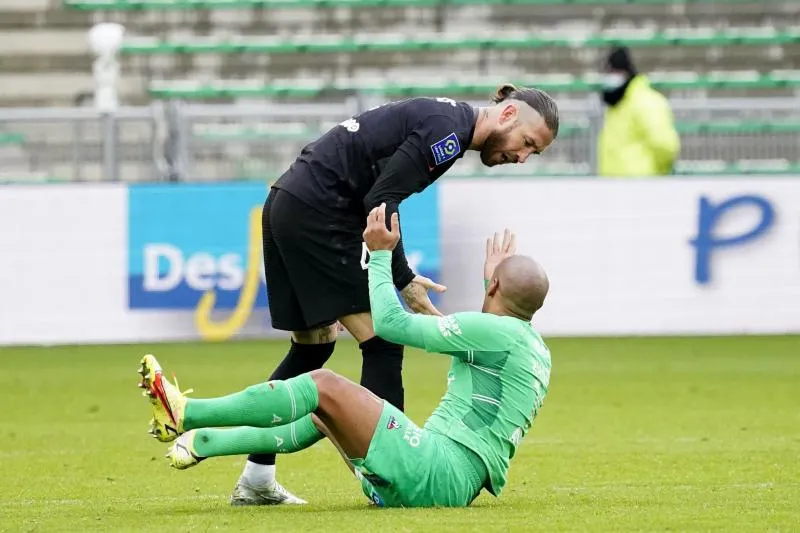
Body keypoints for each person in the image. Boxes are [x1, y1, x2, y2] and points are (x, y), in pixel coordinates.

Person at [193, 84, 558, 505]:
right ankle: (390, 471)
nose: (522, 157)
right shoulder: (449, 135)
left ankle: (257, 478)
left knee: (314, 349)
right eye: (527, 143)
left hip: (287, 201)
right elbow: (381, 200)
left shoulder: (447, 120)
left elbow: (378, 189)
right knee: (383, 342)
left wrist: (403, 277)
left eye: (534, 153)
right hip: (319, 213)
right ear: (508, 114)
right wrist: (402, 277)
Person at [137, 210, 552, 509]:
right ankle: (209, 442)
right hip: (438, 482)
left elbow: (389, 325)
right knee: (326, 412)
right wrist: (493, 282)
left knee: (323, 384)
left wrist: (381, 256)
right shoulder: (534, 350)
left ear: (495, 284)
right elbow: (498, 319)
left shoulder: (495, 333)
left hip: (434, 472)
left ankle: (187, 413)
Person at [598, 46, 680, 178]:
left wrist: (655, 176)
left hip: (642, 186)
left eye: (613, 71)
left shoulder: (645, 101)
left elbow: (665, 146)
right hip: (616, 187)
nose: (610, 76)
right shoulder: (617, 105)